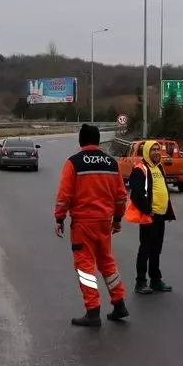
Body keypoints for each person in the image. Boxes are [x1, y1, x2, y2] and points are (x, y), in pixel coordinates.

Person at [55, 124, 131, 327]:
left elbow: (64, 195)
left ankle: (93, 310)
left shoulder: (73, 163)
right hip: (104, 222)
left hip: (83, 224)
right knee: (107, 262)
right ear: (98, 141)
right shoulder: (111, 163)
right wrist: (117, 219)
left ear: (81, 141)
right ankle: (119, 303)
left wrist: (59, 219)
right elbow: (121, 196)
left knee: (85, 266)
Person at [127, 140, 176, 294]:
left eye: (157, 149)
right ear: (147, 152)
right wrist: (149, 211)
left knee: (156, 249)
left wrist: (166, 211)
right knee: (145, 249)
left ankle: (156, 280)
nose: (156, 152)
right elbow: (136, 195)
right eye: (153, 150)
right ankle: (140, 282)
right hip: (149, 217)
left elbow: (162, 190)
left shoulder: (159, 167)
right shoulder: (140, 169)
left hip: (160, 216)